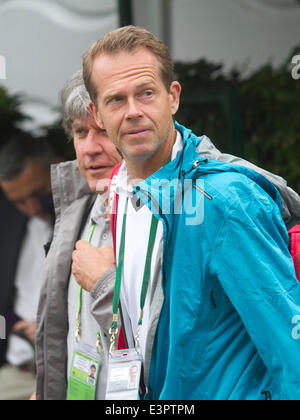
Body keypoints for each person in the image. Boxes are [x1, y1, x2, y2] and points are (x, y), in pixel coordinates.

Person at [80, 25, 300, 400]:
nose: (133, 111)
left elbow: (289, 348)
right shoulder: (119, 188)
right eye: (116, 100)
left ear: (173, 97)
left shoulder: (225, 200)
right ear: (96, 113)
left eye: (146, 94)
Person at [35, 70, 122, 400]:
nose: (89, 148)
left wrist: (104, 281)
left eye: (102, 131)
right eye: (80, 132)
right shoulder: (76, 211)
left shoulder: (169, 213)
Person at [0, 134, 56, 400]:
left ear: (57, 165)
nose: (32, 207)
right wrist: (10, 326)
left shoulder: (89, 214)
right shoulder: (8, 224)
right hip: (14, 369)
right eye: (20, 201)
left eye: (39, 193)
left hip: (68, 369)